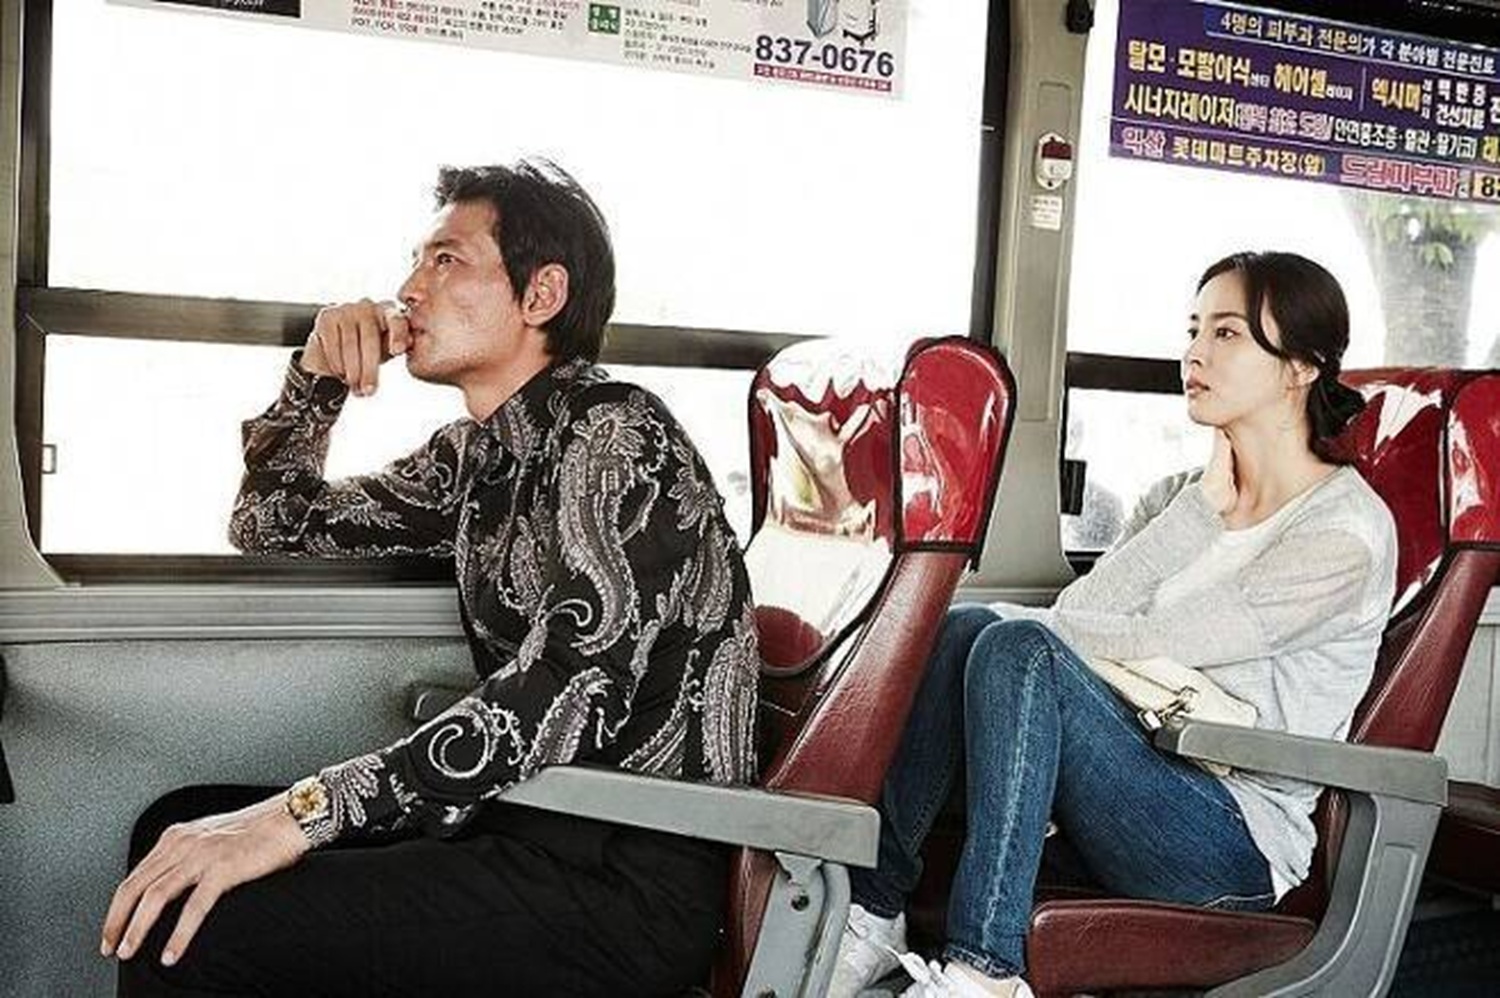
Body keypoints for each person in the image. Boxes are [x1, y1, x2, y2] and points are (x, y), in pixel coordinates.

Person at [100, 159, 760, 997]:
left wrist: (305, 812)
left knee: (198, 920)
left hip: (620, 879)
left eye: (446, 260)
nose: (410, 289)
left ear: (542, 294)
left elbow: (573, 689)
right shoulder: (478, 457)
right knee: (175, 830)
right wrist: (316, 381)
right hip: (524, 822)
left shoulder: (617, 433)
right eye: (416, 262)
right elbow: (271, 524)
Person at [830, 251, 1396, 998]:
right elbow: (1082, 618)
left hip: (1231, 838)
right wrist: (1196, 514)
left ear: (1301, 367)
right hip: (1130, 778)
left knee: (1017, 645)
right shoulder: (1179, 497)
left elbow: (1140, 639)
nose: (1194, 353)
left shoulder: (1342, 535)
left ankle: (985, 971)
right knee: (964, 628)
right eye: (1193, 330)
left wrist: (1032, 626)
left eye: (1226, 333)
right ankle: (876, 912)